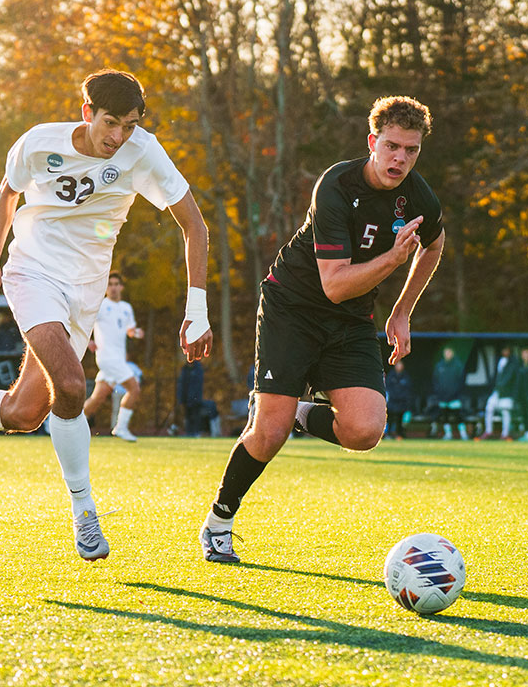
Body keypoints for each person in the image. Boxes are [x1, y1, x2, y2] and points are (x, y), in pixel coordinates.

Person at [0, 69, 213, 563]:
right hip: (32, 274)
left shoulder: (141, 151)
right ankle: (85, 514)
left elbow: (195, 226)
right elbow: (5, 195)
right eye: (110, 123)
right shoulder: (39, 142)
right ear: (87, 113)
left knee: (24, 412)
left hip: (86, 293)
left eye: (129, 124)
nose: (118, 136)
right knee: (74, 386)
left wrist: (197, 309)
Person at [198, 95, 445, 563]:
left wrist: (401, 311)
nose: (400, 159)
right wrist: (393, 258)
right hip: (293, 308)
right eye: (392, 146)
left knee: (364, 431)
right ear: (372, 142)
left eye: (411, 150)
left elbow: (433, 245)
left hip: (351, 319)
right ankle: (220, 522)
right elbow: (333, 285)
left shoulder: (417, 195)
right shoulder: (336, 184)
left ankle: (296, 413)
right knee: (266, 435)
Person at [81, 272, 145, 442]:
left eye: (116, 284)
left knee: (97, 399)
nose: (113, 287)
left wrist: (136, 333)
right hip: (108, 358)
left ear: (121, 287)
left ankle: (70, 425)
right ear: (106, 288)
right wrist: (88, 342)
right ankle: (121, 428)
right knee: (134, 388)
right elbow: (84, 322)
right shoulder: (101, 305)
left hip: (117, 359)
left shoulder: (126, 308)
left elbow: (129, 330)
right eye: (110, 284)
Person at [432, 346, 467, 440]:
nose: (447, 354)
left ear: (453, 353)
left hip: (455, 397)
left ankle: (463, 434)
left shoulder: (458, 365)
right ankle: (448, 434)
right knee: (444, 416)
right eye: (446, 352)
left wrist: (455, 392)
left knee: (458, 416)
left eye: (449, 352)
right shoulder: (439, 366)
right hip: (443, 397)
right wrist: (440, 393)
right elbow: (435, 381)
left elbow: (461, 381)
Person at [482, 345, 514, 439]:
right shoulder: (500, 361)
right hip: (497, 390)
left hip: (507, 392)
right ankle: (488, 431)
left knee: (505, 411)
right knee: (489, 407)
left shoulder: (513, 363)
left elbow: (511, 378)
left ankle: (505, 434)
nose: (505, 352)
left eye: (507, 350)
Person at [384, 359, 414, 439]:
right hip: (392, 402)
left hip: (402, 403)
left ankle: (399, 435)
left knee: (400, 419)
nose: (399, 366)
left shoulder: (406, 377)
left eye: (400, 364)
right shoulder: (391, 376)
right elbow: (388, 388)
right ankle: (388, 434)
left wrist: (402, 398)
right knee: (389, 418)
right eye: (397, 364)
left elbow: (408, 390)